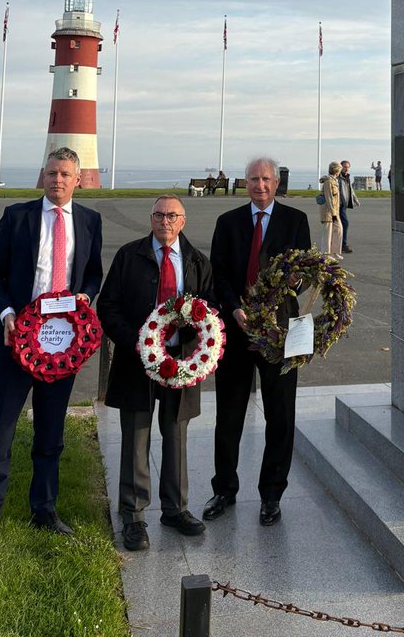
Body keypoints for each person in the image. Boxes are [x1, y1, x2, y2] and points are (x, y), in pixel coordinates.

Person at [0, 147, 103, 546]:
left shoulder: (90, 221)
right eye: (51, 172)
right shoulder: (17, 217)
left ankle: (44, 509)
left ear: (78, 180)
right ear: (43, 176)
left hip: (62, 345)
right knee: (0, 431)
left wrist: (85, 297)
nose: (57, 179)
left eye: (65, 174)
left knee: (51, 432)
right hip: (16, 342)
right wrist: (7, 313)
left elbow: (93, 274)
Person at [97, 195, 214, 549]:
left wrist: (195, 340)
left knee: (176, 433)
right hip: (137, 360)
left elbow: (211, 309)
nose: (165, 221)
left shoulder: (197, 261)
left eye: (172, 215)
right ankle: (133, 515)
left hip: (180, 362)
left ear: (183, 220)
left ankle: (175, 509)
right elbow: (108, 305)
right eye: (159, 215)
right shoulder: (128, 256)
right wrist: (137, 341)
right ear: (151, 219)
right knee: (136, 435)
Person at [203, 156, 311, 526]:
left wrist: (296, 282)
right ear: (245, 183)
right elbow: (218, 274)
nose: (260, 185)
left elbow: (305, 274)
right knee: (229, 415)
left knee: (280, 416)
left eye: (266, 179)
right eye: (253, 179)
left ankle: (271, 495)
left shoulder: (296, 221)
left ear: (276, 183)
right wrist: (233, 308)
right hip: (236, 330)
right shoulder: (228, 222)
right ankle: (224, 489)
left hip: (280, 333)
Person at [318, 161, 343, 258]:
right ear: (337, 171)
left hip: (335, 211)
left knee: (338, 230)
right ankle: (326, 254)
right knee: (327, 234)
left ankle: (334, 252)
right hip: (328, 212)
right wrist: (333, 214)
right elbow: (329, 199)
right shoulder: (328, 182)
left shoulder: (334, 181)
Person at [338, 159, 360, 254]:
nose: (346, 169)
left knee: (340, 225)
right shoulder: (337, 177)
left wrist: (355, 199)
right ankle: (343, 245)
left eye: (347, 167)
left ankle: (338, 244)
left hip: (344, 205)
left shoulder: (347, 177)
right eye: (344, 167)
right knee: (344, 223)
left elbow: (350, 189)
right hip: (339, 204)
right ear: (340, 167)